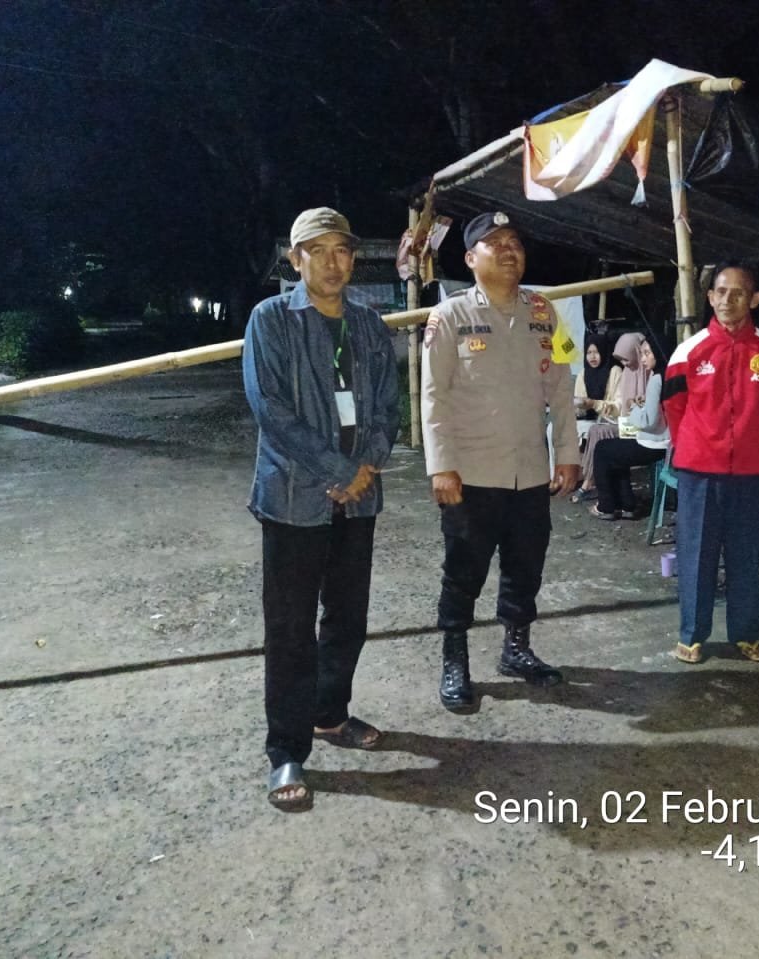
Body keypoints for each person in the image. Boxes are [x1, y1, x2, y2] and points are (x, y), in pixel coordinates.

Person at [243, 207, 400, 811]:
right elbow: (270, 408)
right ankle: (286, 750)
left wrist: (366, 466)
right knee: (289, 628)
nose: (334, 263)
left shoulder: (367, 323)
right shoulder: (271, 319)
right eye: (319, 250)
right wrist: (339, 470)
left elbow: (387, 405)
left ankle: (330, 713)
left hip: (358, 500)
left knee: (348, 617)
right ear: (296, 258)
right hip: (293, 498)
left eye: (343, 250)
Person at [421, 210, 580, 712]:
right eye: (496, 243)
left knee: (525, 566)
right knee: (463, 572)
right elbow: (433, 397)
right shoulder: (449, 317)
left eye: (515, 242)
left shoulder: (544, 313)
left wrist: (568, 454)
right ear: (471, 259)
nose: (509, 250)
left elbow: (562, 387)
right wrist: (441, 466)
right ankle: (455, 659)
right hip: (471, 473)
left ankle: (516, 649)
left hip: (529, 470)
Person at [662, 262, 759, 664]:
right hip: (699, 472)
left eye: (738, 293)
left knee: (745, 555)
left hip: (750, 473)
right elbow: (674, 406)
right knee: (696, 556)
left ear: (754, 299)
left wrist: (749, 438)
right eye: (720, 292)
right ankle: (692, 635)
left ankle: (746, 634)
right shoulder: (690, 350)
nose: (727, 300)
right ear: (709, 296)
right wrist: (701, 444)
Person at [588, 337, 670, 519]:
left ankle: (606, 506)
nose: (643, 359)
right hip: (660, 440)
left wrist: (633, 407)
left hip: (653, 442)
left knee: (602, 449)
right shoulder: (665, 374)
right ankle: (627, 505)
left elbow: (648, 420)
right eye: (642, 354)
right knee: (616, 452)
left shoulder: (656, 378)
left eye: (647, 354)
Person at [570, 331, 622, 502]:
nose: (592, 357)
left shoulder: (615, 372)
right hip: (589, 418)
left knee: (595, 431)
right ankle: (564, 476)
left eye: (597, 352)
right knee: (553, 428)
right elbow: (580, 406)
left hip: (613, 420)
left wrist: (594, 403)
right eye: (589, 352)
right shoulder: (583, 374)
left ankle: (588, 482)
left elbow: (618, 408)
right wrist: (578, 407)